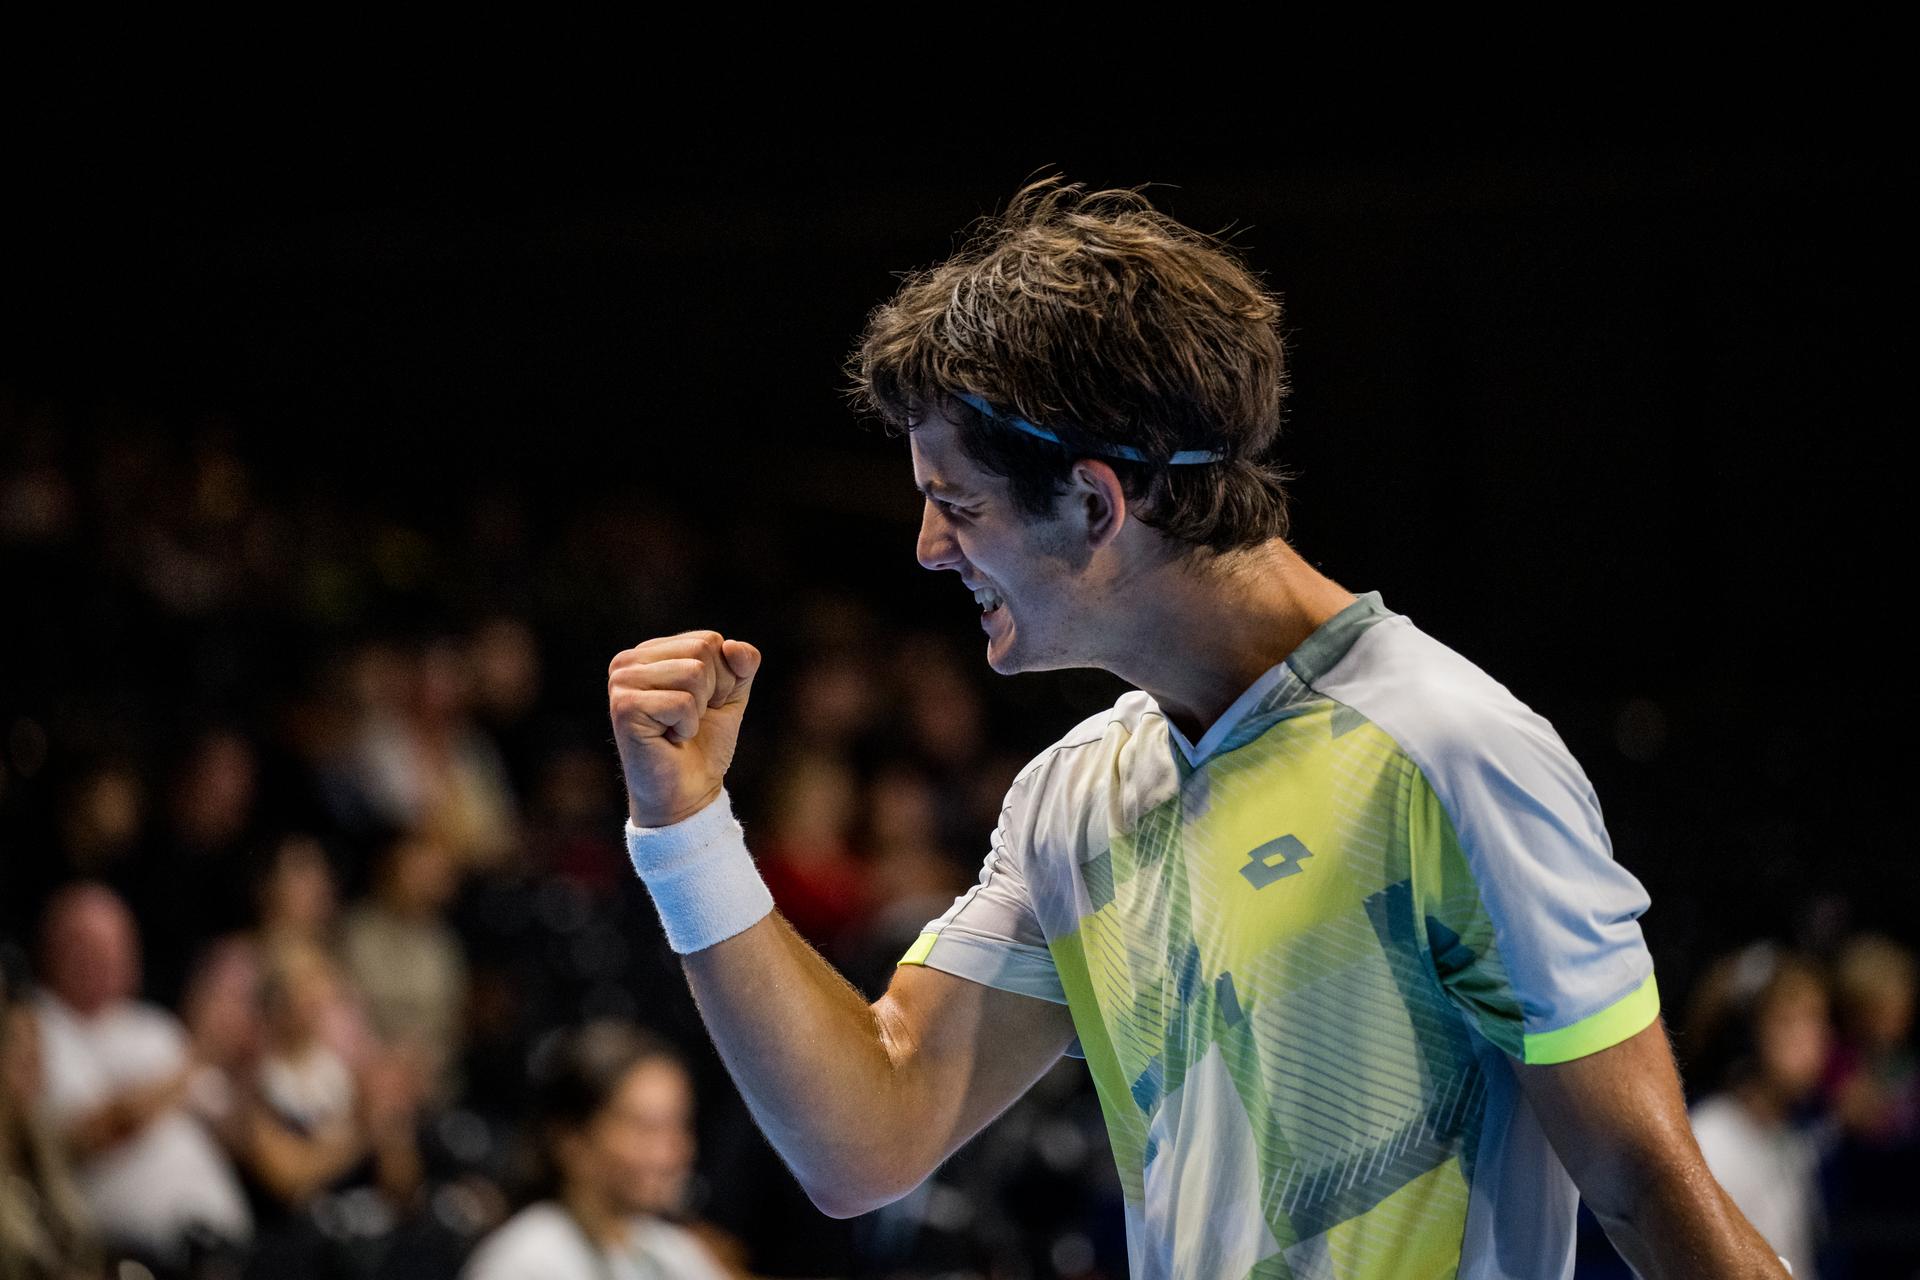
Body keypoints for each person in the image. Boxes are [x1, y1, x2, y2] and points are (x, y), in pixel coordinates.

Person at [606, 177, 1791, 1278]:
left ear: (1094, 499)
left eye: (956, 503)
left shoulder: (1453, 750)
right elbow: (865, 1135)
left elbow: (1643, 1182)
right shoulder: (1075, 794)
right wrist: (686, 828)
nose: (928, 547)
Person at [32, 883, 251, 1272]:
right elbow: (86, 1135)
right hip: (130, 1256)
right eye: (89, 945)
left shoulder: (153, 1026)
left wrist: (246, 1063)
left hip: (221, 1241)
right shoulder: (41, 1028)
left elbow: (231, 1128)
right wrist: (198, 1058)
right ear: (54, 951)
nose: (107, 957)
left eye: (117, 944)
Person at [461, 1021, 732, 1280]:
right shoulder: (524, 1262)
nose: (669, 1153)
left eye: (678, 1125)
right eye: (644, 1128)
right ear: (571, 1140)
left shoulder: (673, 1253)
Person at [1683, 943, 1834, 1279]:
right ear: (1745, 1039)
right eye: (1788, 1022)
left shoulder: (1788, 1136)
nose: (1811, 1039)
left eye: (1816, 1020)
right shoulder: (1710, 1141)